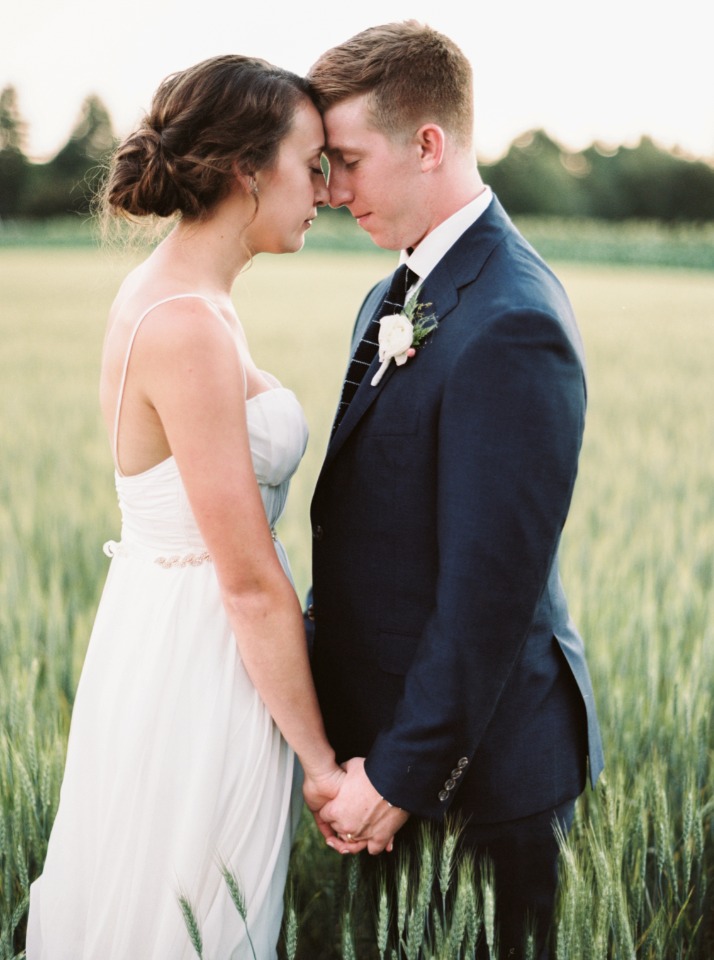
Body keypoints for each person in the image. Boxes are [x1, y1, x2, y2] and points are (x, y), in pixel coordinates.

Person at [26, 53, 350, 960]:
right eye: (311, 161)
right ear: (250, 171)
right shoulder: (186, 326)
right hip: (202, 668)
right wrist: (322, 765)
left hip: (182, 638)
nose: (324, 189)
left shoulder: (194, 301)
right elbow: (247, 581)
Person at [306, 21, 605, 959]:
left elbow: (486, 594)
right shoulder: (397, 287)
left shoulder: (513, 320)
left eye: (348, 160)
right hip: (391, 757)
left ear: (427, 143)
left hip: (484, 783)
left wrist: (395, 779)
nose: (333, 190)